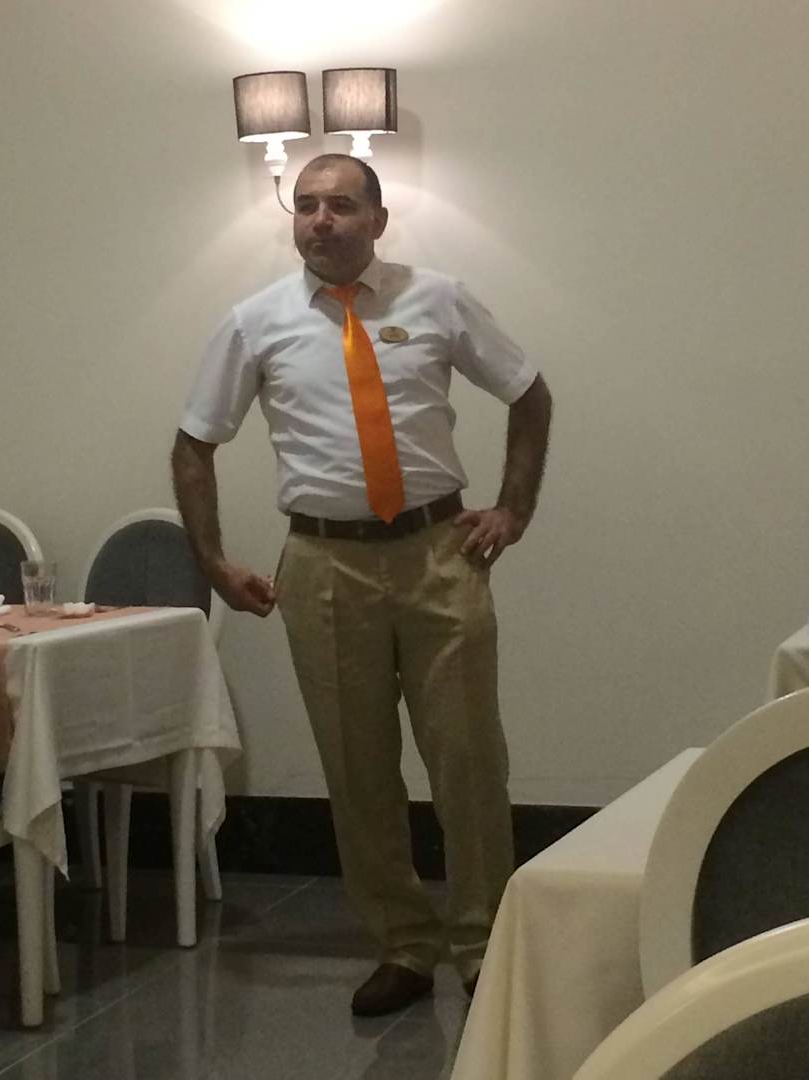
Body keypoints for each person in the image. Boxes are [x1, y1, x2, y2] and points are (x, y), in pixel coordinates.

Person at [172, 153, 552, 1017]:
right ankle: (404, 946)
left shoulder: (439, 299)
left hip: (439, 554)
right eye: (306, 205)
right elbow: (194, 444)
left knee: (468, 759)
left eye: (341, 205)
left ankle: (486, 945)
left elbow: (530, 395)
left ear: (377, 220)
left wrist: (514, 508)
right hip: (324, 565)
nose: (321, 220)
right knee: (358, 768)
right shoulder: (254, 322)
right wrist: (214, 560)